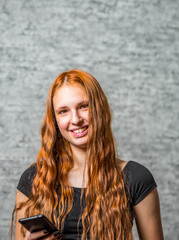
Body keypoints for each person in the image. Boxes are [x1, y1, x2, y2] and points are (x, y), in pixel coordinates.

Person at [11, 69, 164, 240]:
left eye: (84, 106)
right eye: (63, 111)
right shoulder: (34, 179)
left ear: (100, 108)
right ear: (54, 120)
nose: (75, 119)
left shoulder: (136, 178)